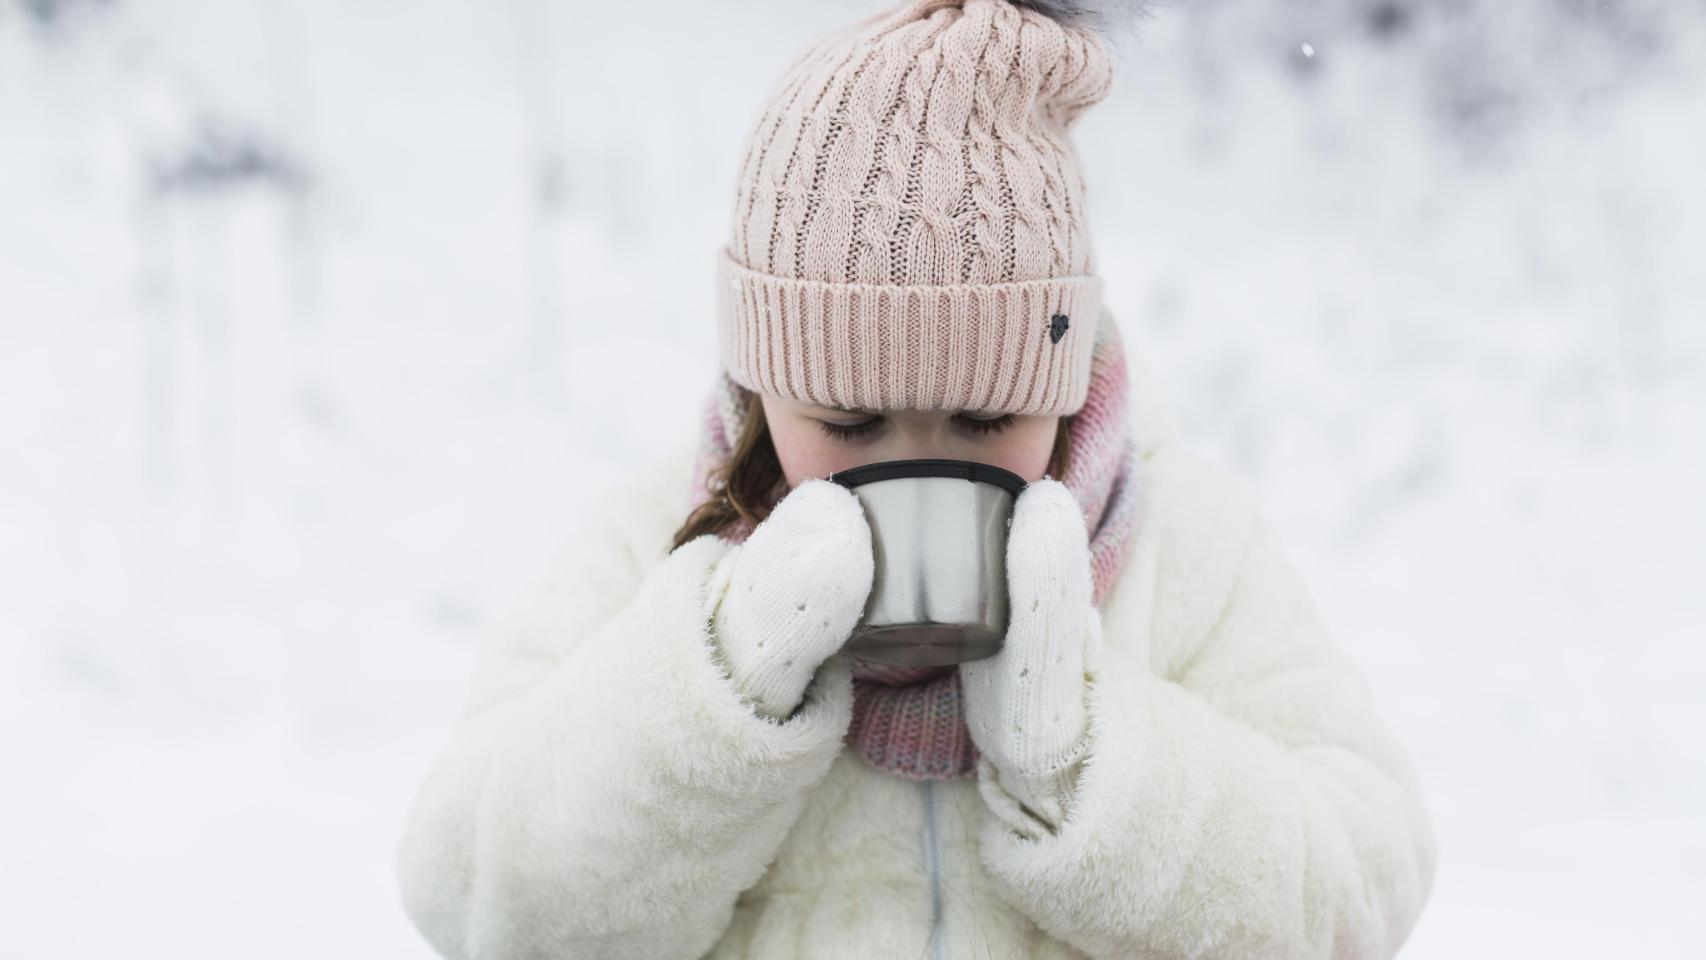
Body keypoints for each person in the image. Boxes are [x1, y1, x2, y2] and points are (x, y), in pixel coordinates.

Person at [392, 1, 1439, 957]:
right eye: (848, 420)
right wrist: (713, 689)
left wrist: (1084, 759)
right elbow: (474, 899)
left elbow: (1360, 889)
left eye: (987, 416)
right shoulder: (657, 546)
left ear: (1061, 385)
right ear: (763, 387)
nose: (914, 464)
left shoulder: (1184, 546)